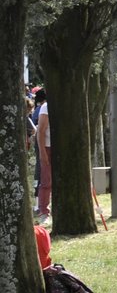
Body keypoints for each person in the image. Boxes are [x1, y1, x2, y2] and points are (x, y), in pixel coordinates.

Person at [33, 87, 50, 219]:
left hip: (59, 147)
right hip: (47, 147)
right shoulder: (45, 107)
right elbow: (41, 131)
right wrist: (42, 152)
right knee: (46, 180)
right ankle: (43, 210)